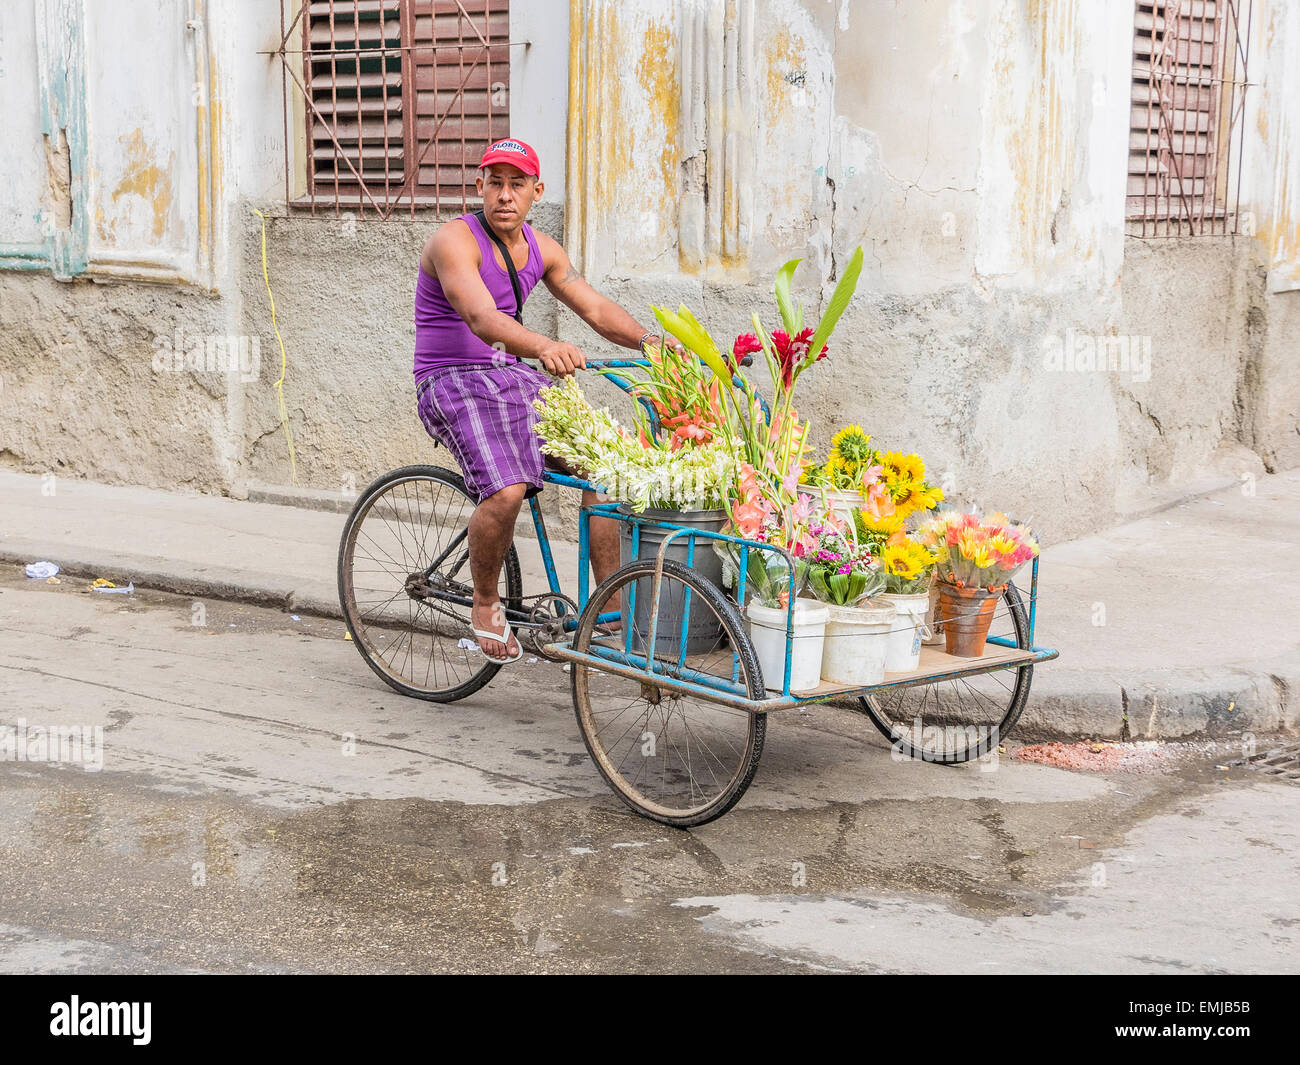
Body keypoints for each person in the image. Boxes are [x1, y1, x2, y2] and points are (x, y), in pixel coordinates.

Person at [415, 137, 665, 664]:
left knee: (608, 470)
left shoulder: (543, 249)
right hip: (452, 379)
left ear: (536, 191)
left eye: (518, 184)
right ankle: (485, 604)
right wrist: (546, 346)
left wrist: (653, 346)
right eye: (496, 182)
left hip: (512, 377)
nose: (505, 195)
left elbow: (594, 308)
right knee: (507, 490)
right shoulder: (452, 241)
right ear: (479, 185)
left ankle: (611, 610)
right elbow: (482, 319)